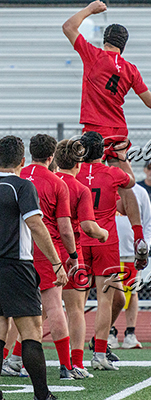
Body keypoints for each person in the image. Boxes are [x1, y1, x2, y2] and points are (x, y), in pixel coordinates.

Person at [62, 0, 151, 268]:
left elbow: (68, 27)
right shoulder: (130, 69)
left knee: (82, 180)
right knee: (127, 183)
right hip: (118, 131)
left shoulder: (93, 55)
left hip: (93, 132)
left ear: (105, 40)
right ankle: (138, 236)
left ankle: (79, 233)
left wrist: (90, 9)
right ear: (124, 46)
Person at [0, 135, 68, 400]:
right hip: (16, 266)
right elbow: (36, 226)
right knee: (31, 331)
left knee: (0, 328)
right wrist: (56, 263)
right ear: (22, 161)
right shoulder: (21, 186)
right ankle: (42, 395)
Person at [20, 134, 83, 381]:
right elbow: (65, 228)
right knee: (55, 306)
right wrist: (72, 255)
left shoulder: (19, 175)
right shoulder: (56, 182)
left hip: (17, 248)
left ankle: (12, 360)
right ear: (51, 156)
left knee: (16, 310)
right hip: (46, 249)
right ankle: (66, 366)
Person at [76, 131, 135, 371]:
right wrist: (121, 156)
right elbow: (131, 181)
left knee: (76, 303)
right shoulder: (112, 173)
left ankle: (72, 357)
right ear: (102, 151)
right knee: (105, 300)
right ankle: (99, 353)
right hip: (105, 241)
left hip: (79, 240)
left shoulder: (75, 173)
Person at [54, 139, 109, 378]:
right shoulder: (79, 188)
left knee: (39, 311)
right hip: (70, 254)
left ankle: (14, 357)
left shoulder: (48, 181)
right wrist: (103, 234)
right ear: (78, 163)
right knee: (75, 309)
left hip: (42, 251)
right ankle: (75, 363)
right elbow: (88, 227)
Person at [110, 183, 151, 349]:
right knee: (110, 293)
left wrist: (144, 246)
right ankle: (110, 332)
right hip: (110, 250)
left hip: (131, 252)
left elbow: (148, 221)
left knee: (132, 292)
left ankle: (130, 333)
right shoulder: (107, 186)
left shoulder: (140, 192)